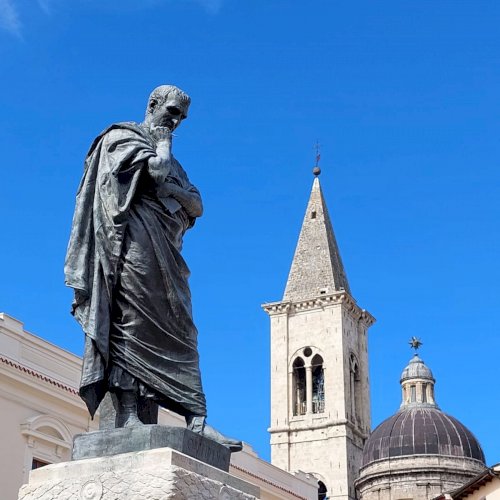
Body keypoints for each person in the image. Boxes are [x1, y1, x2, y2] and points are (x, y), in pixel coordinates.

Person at [65, 85, 241, 451]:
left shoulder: (175, 162)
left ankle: (196, 419)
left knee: (184, 331)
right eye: (172, 112)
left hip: (168, 256)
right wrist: (162, 148)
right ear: (152, 105)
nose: (176, 122)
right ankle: (128, 413)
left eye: (182, 118)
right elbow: (157, 173)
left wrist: (172, 188)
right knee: (131, 324)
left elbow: (197, 205)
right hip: (133, 248)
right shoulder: (122, 138)